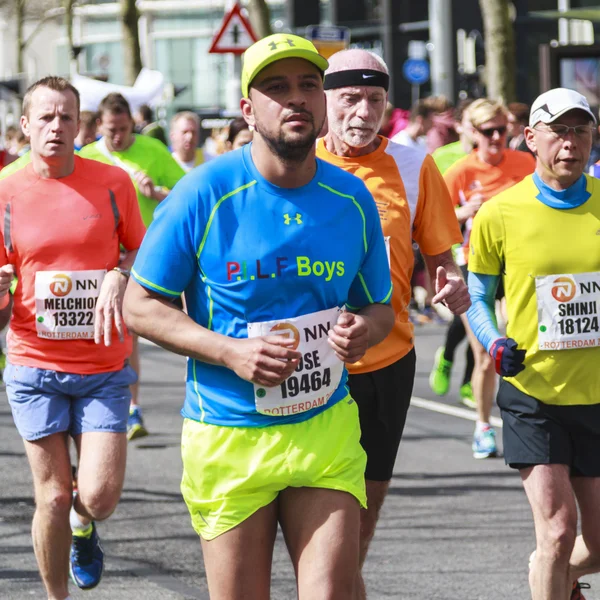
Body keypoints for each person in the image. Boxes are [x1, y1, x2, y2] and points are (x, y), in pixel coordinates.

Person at [123, 33, 394, 598]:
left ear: (323, 101)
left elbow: (380, 308)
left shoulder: (353, 198)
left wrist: (363, 330)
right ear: (248, 109)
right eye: (276, 88)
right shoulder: (204, 193)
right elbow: (140, 305)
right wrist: (232, 351)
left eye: (308, 85)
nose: (296, 98)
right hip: (228, 433)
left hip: (324, 427)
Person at [316, 49, 470, 599]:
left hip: (387, 358)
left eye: (375, 99)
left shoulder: (412, 164)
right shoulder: (294, 161)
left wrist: (450, 282)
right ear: (324, 100)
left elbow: (440, 258)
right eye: (350, 98)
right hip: (310, 362)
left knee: (367, 502)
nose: (362, 111)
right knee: (323, 504)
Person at [0, 76, 145, 599]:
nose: (56, 127)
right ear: (25, 125)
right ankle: (56, 596)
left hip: (103, 365)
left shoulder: (113, 183)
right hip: (32, 362)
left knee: (98, 497)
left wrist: (119, 273)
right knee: (53, 497)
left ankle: (87, 527)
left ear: (80, 124)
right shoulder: (5, 191)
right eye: (45, 117)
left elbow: (140, 253)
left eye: (67, 117)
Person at [467, 87, 600, 600]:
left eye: (581, 130)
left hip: (595, 393)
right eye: (559, 131)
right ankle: (553, 568)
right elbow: (478, 294)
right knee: (559, 530)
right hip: (533, 393)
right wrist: (493, 341)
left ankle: (559, 575)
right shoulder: (501, 213)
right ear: (531, 139)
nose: (570, 142)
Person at [80, 92, 186, 440]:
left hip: (144, 253)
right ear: (99, 126)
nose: (118, 137)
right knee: (102, 331)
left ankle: (131, 408)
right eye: (111, 129)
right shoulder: (88, 156)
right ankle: (99, 402)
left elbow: (185, 193)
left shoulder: (152, 151)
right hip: (100, 256)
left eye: (124, 129)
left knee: (128, 332)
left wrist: (155, 192)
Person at [441, 98, 535, 459]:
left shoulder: (526, 163)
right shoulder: (461, 172)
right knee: (485, 352)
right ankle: (483, 425)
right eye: (487, 131)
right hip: (475, 266)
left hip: (520, 265)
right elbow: (434, 221)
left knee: (520, 341)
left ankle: (526, 418)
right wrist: (465, 211)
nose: (496, 137)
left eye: (501, 129)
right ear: (474, 133)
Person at [429, 97, 477, 407]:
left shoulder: (490, 159)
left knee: (483, 321)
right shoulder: (441, 158)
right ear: (459, 125)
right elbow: (432, 208)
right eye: (475, 124)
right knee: (467, 314)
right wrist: (464, 211)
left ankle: (469, 383)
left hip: (487, 248)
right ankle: (447, 357)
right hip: (455, 246)